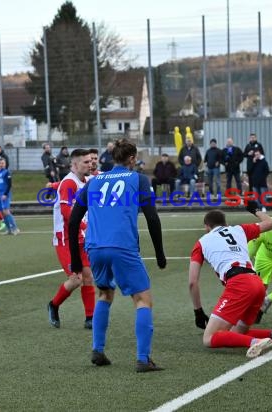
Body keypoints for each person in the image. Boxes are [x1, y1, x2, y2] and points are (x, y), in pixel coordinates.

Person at [68, 138, 167, 373]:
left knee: (104, 294)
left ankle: (98, 350)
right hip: (122, 246)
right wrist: (160, 254)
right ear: (132, 159)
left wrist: (75, 258)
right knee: (143, 300)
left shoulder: (93, 182)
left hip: (95, 248)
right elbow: (152, 217)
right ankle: (143, 359)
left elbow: (73, 221)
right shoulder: (138, 179)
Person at [188, 204, 272, 359]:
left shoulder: (201, 243)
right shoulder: (238, 229)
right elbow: (271, 223)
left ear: (206, 227)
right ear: (225, 224)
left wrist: (198, 311)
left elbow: (192, 282)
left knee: (209, 338)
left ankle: (255, 341)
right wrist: (255, 210)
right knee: (237, 333)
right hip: (257, 283)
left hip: (239, 284)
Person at [48, 149, 96, 330]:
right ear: (74, 165)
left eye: (91, 161)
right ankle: (54, 304)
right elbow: (66, 211)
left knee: (88, 276)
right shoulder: (69, 183)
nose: (90, 164)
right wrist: (85, 226)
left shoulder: (87, 180)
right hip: (65, 239)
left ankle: (90, 317)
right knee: (76, 279)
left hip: (81, 238)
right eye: (86, 162)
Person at [0, 157, 19, 235]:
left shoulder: (7, 172)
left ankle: (15, 228)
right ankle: (9, 229)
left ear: (5, 164)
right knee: (2, 212)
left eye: (2, 163)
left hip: (4, 194)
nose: (1, 165)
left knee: (6, 211)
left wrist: (5, 194)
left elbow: (9, 185)